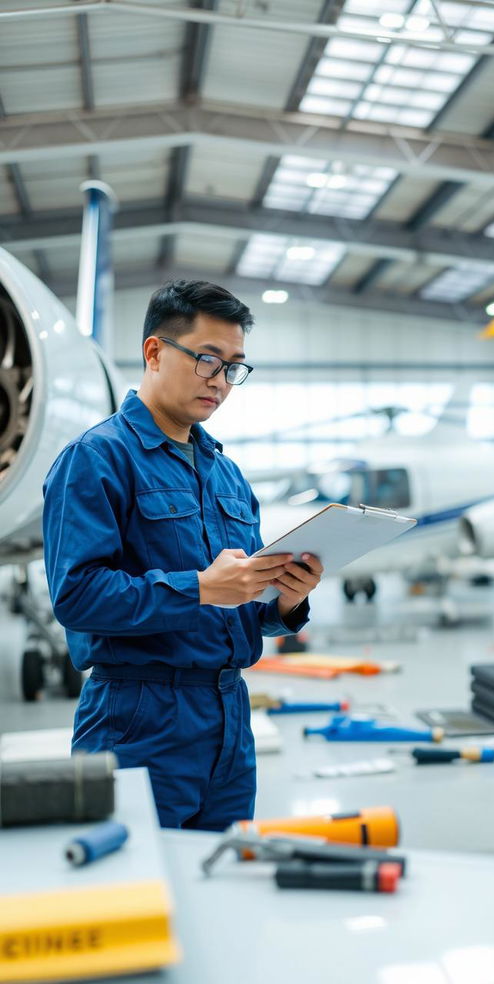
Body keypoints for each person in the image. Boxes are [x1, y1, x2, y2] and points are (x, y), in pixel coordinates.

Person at [43, 280, 323, 831]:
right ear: (154, 352)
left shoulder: (228, 475)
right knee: (140, 892)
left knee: (221, 882)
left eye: (234, 367)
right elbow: (76, 597)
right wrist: (199, 587)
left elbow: (241, 607)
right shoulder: (96, 459)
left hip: (227, 717)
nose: (220, 382)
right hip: (138, 716)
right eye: (207, 360)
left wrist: (284, 602)